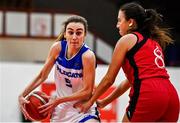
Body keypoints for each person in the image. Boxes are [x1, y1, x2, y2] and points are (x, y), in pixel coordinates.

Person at [75, 2, 180, 122]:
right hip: (171, 95)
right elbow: (128, 82)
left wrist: (90, 101)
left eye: (120, 20)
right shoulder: (153, 42)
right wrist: (105, 101)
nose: (117, 25)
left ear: (130, 22)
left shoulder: (127, 39)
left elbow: (109, 79)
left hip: (149, 93)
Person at [18, 15, 100, 122]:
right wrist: (22, 95)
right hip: (61, 110)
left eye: (79, 33)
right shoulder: (57, 48)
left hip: (82, 109)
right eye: (70, 32)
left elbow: (87, 91)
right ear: (65, 34)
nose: (74, 37)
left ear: (84, 35)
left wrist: (59, 100)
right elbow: (42, 76)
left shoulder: (88, 56)